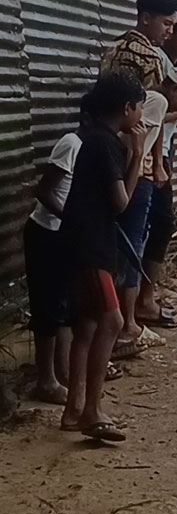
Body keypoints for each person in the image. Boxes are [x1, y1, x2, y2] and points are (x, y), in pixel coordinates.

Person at [60, 73, 149, 442]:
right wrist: (139, 156)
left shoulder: (95, 138)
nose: (142, 116)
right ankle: (92, 410)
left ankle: (74, 409)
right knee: (111, 321)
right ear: (127, 108)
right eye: (140, 107)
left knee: (89, 326)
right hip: (92, 246)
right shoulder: (105, 144)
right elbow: (121, 202)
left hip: (82, 242)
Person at [113, 66, 177, 356]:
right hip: (136, 179)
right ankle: (127, 324)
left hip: (140, 175)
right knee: (132, 248)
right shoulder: (159, 101)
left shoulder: (153, 101)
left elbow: (151, 136)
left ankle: (126, 320)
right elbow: (134, 140)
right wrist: (137, 170)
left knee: (132, 247)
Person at [138, 7, 177, 330]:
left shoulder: (173, 68)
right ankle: (142, 302)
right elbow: (146, 116)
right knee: (157, 224)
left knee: (157, 225)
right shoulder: (156, 65)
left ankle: (144, 298)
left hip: (160, 153)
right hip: (151, 156)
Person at [23, 125, 83, 405]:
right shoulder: (72, 143)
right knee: (47, 306)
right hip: (46, 232)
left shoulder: (99, 146)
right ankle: (46, 380)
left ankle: (62, 373)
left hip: (63, 233)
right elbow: (44, 190)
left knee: (63, 303)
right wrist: (69, 218)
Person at [100, 0, 177, 90]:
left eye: (173, 25)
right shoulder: (149, 58)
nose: (170, 31)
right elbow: (154, 102)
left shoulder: (114, 46)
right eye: (167, 23)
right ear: (146, 18)